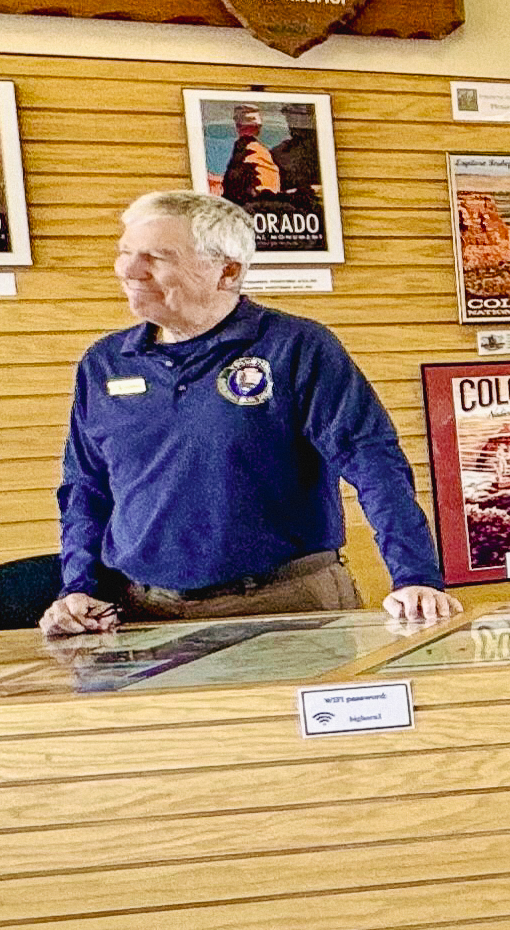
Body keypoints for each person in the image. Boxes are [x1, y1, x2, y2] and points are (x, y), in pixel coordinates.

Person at [42, 190, 457, 636]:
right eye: (125, 253)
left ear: (228, 270)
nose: (127, 270)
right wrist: (78, 585)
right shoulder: (104, 362)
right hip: (143, 614)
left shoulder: (297, 347)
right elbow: (84, 489)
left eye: (157, 257)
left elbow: (374, 464)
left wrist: (415, 576)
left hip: (287, 607)